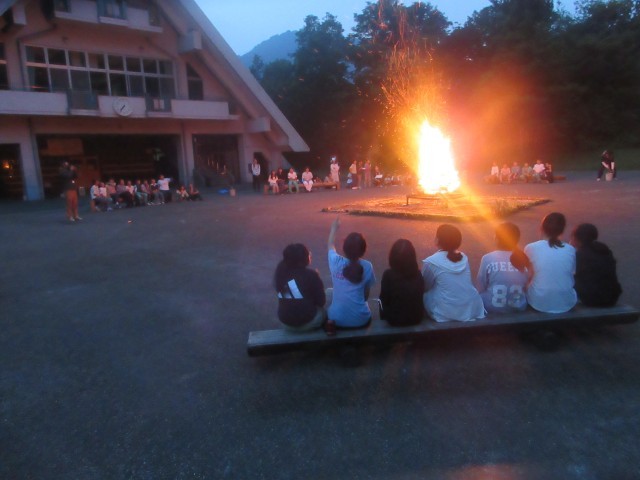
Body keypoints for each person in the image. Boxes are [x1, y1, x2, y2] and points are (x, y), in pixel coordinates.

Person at [422, 224, 485, 322]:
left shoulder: (431, 262)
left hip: (445, 312)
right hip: (470, 308)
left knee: (425, 295)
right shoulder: (463, 257)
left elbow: (425, 286)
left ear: (438, 240)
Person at [326, 217, 376, 332]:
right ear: (363, 251)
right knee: (333, 292)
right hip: (361, 320)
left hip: (336, 320)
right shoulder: (367, 266)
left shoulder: (335, 261)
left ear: (344, 248)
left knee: (329, 292)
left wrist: (334, 228)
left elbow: (330, 245)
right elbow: (365, 296)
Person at [524, 212, 577, 313]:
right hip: (566, 302)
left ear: (541, 228)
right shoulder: (570, 249)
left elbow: (527, 275)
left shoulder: (531, 248)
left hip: (538, 301)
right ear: (562, 230)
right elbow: (571, 272)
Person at [476, 222, 531, 313]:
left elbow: (481, 287)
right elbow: (526, 285)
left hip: (491, 307)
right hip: (519, 306)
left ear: (496, 239)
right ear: (517, 240)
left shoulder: (487, 258)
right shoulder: (523, 258)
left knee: (478, 295)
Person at [274, 243, 326, 331]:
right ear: (304, 259)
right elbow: (321, 302)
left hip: (286, 323)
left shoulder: (280, 274)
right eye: (308, 253)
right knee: (325, 309)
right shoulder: (311, 275)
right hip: (307, 323)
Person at [571, 223, 622, 307]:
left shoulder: (580, 255)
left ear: (577, 238)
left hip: (591, 299)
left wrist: (571, 249)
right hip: (612, 298)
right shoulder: (605, 251)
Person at [379, 239, 424, 326]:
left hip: (394, 320)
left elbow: (383, 299)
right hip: (416, 318)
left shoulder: (388, 275)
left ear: (392, 257)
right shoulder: (418, 274)